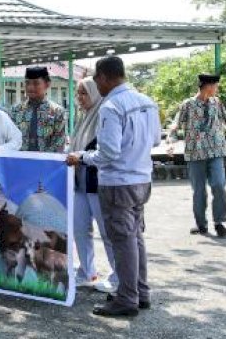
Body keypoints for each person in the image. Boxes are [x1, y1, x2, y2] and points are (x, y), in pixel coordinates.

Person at [66, 55, 162, 318]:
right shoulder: (147, 102)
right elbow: (155, 140)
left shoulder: (111, 106)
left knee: (123, 240)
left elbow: (107, 152)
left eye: (97, 79)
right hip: (142, 179)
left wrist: (81, 157)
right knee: (135, 238)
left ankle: (127, 298)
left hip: (118, 181)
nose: (98, 84)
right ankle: (140, 292)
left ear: (105, 77)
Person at [168, 74, 226, 238]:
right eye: (216, 86)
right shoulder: (188, 105)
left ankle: (219, 222)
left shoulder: (216, 102)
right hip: (195, 153)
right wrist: (171, 142)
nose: (217, 89)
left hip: (216, 151)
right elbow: (176, 124)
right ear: (207, 86)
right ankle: (201, 224)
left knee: (218, 185)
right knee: (199, 191)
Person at [68, 78, 118, 294]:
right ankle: (86, 271)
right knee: (80, 228)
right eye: (78, 93)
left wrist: (80, 157)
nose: (79, 98)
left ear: (96, 93)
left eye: (84, 93)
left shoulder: (104, 115)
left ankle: (118, 276)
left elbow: (103, 151)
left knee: (107, 232)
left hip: (98, 182)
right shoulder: (83, 117)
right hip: (79, 181)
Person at [9, 66, 67, 153]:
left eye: (36, 83)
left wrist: (41, 161)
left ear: (47, 84)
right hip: (20, 162)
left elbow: (58, 143)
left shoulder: (57, 112)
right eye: (27, 83)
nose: (30, 87)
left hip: (47, 164)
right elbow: (10, 139)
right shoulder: (16, 110)